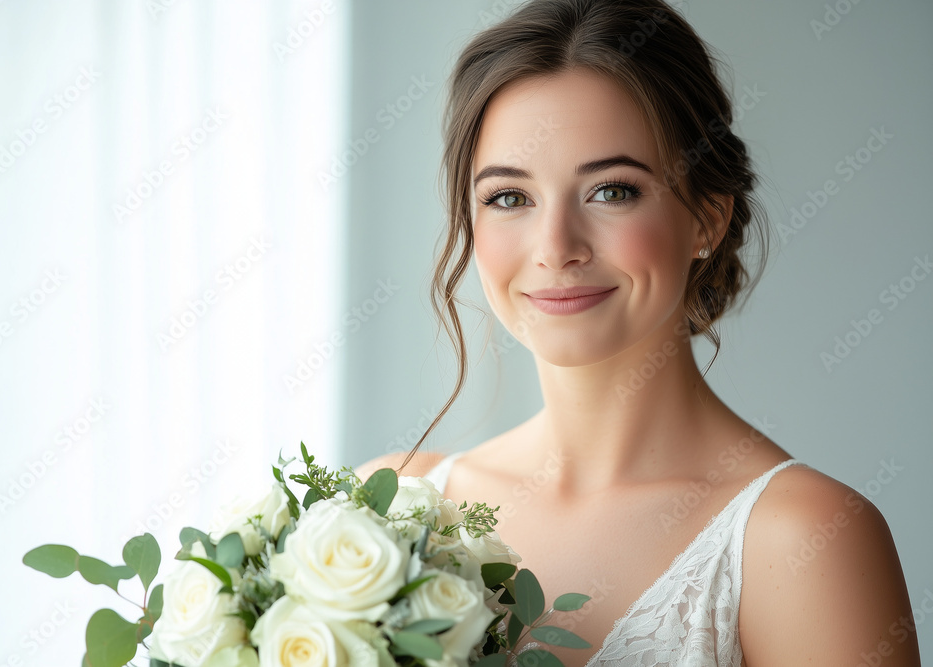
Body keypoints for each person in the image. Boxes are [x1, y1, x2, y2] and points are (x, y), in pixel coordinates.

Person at [354, 0, 921, 664]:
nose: (555, 247)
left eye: (612, 191)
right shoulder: (389, 514)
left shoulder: (805, 539)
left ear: (707, 218)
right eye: (510, 197)